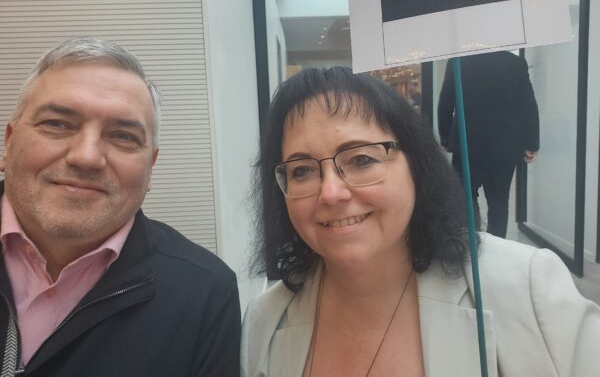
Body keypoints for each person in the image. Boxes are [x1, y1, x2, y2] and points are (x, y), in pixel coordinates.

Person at [241, 67, 599, 377]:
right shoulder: (265, 323)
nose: (331, 193)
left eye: (361, 160)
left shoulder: (529, 290)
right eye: (302, 170)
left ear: (416, 166)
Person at [0, 37, 240, 376]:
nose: (86, 157)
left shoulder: (205, 293)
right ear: (9, 144)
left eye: (123, 136)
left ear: (150, 167)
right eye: (57, 124)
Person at [437, 51, 539, 238]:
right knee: (499, 201)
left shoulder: (458, 61)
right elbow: (528, 105)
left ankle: (473, 243)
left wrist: (445, 136)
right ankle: (496, 245)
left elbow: (446, 102)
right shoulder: (515, 63)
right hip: (504, 145)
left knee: (466, 199)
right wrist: (531, 143)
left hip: (467, 144)